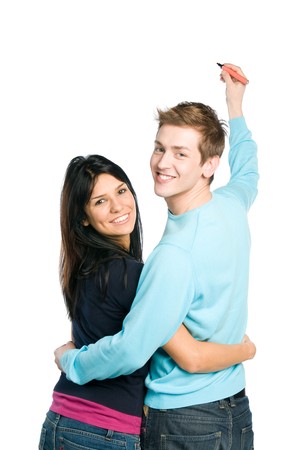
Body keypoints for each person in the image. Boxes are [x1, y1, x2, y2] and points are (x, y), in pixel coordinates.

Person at [55, 62, 258, 449]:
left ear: (209, 165)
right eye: (160, 147)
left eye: (181, 153)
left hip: (183, 421)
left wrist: (72, 361)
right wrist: (236, 107)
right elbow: (249, 172)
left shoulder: (172, 258)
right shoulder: (233, 203)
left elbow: (133, 350)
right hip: (236, 412)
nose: (163, 163)